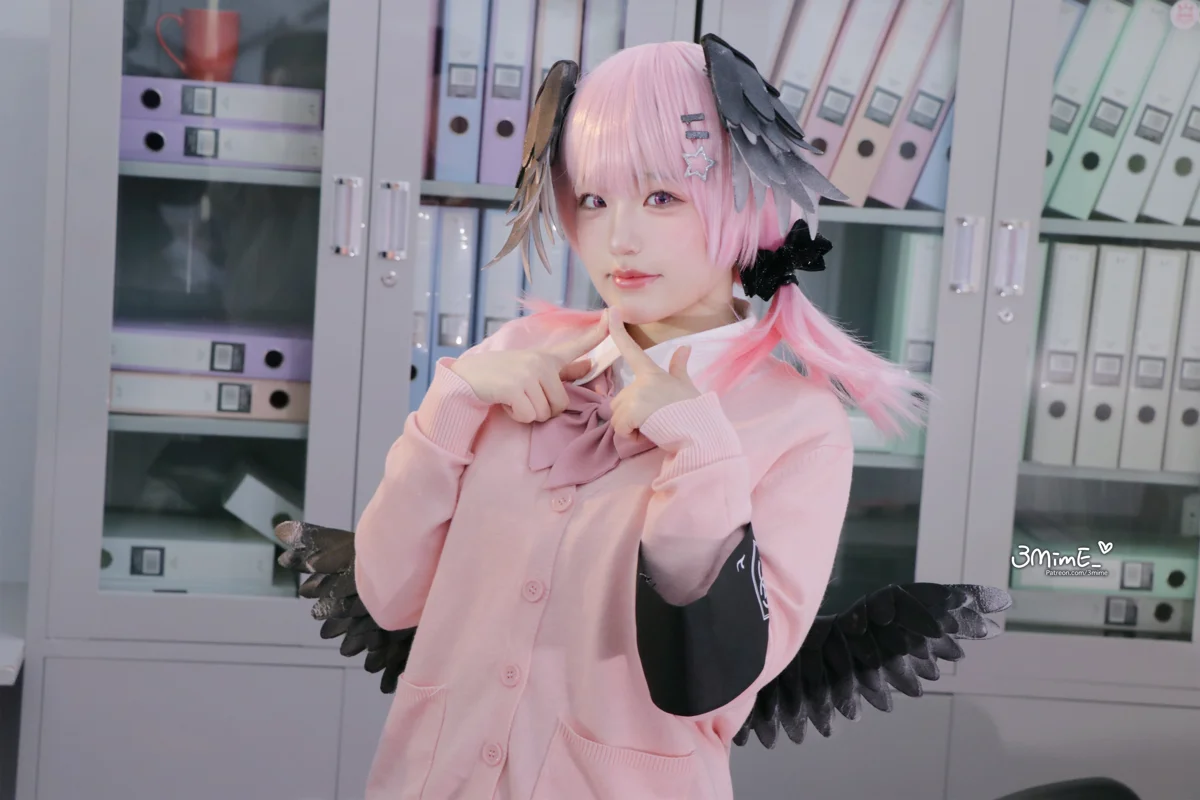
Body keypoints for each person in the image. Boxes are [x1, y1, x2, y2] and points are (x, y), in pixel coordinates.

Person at [278, 35, 1009, 800]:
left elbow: (717, 681)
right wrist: (449, 407)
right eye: (593, 200)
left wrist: (700, 452)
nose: (617, 238)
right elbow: (389, 594)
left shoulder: (799, 425)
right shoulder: (511, 360)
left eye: (661, 197)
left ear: (741, 195)